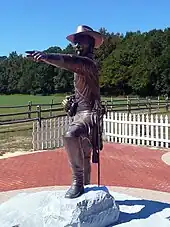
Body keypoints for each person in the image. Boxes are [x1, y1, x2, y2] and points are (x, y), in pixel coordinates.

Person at [26, 25, 104, 199]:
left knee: (71, 135)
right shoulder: (81, 66)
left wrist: (46, 57)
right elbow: (84, 90)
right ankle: (87, 185)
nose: (76, 46)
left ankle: (78, 181)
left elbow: (68, 61)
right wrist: (73, 100)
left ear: (90, 43)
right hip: (80, 113)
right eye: (75, 43)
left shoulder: (88, 63)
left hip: (90, 114)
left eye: (80, 42)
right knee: (84, 153)